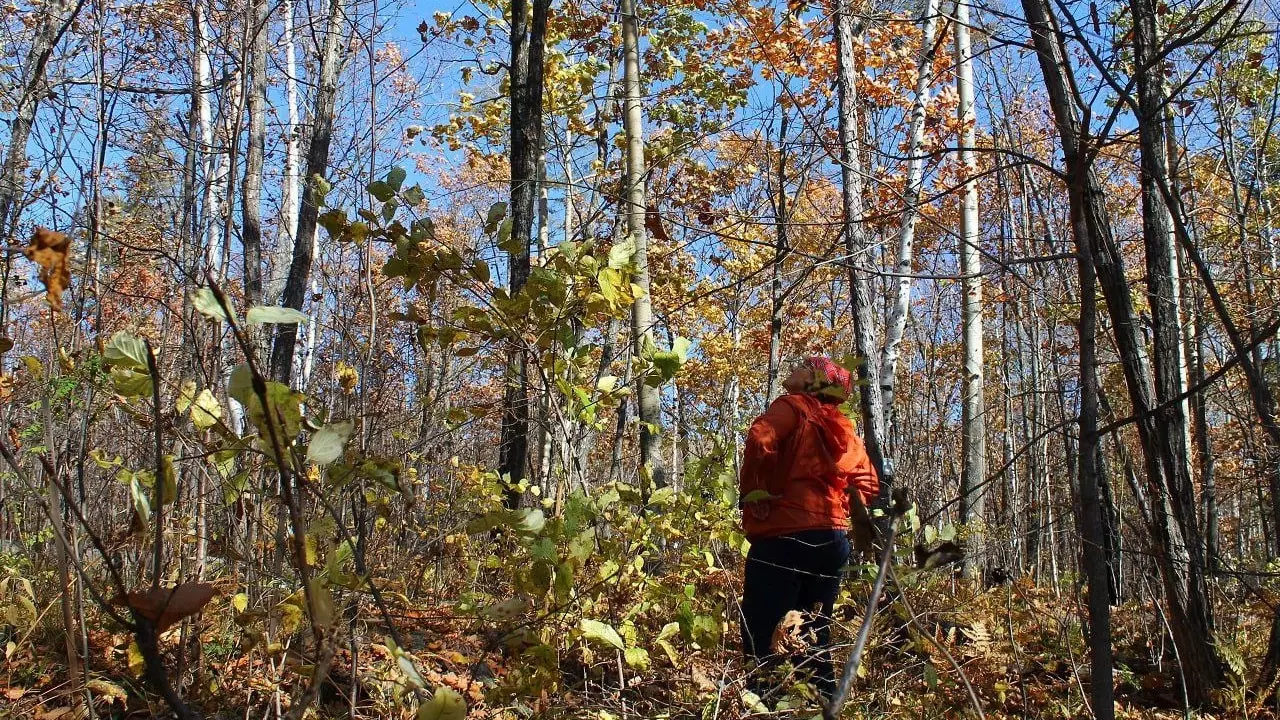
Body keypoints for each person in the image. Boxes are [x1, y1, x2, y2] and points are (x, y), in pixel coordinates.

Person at [738, 356, 880, 699]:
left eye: (805, 364)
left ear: (812, 382)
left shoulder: (793, 407)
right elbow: (869, 483)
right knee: (815, 634)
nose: (795, 365)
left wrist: (758, 490)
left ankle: (763, 703)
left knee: (762, 631)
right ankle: (820, 705)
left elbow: (760, 438)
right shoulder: (845, 429)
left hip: (782, 536)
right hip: (830, 541)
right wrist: (839, 509)